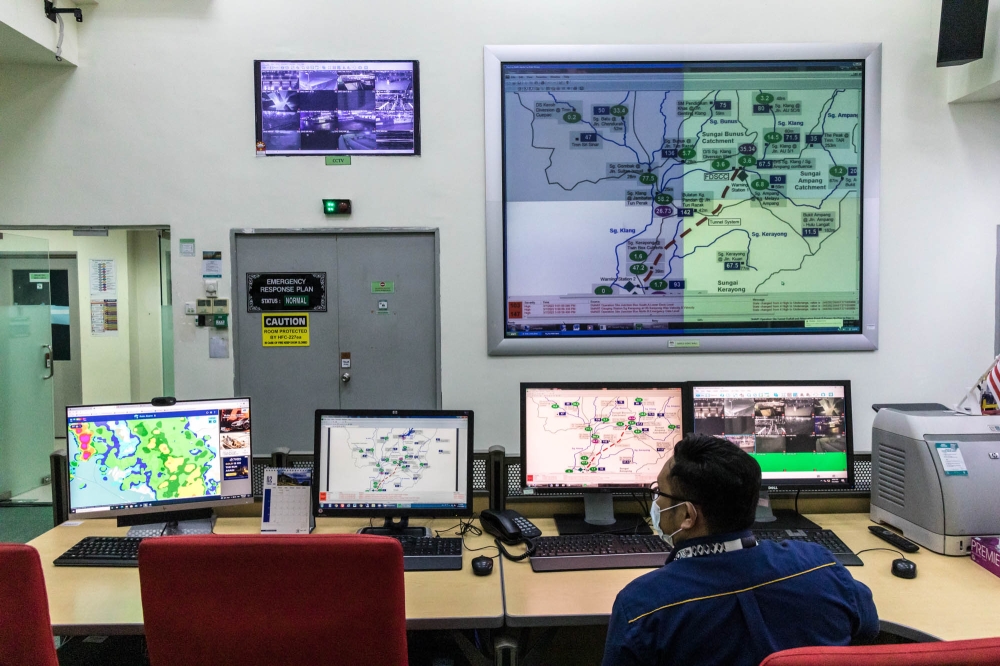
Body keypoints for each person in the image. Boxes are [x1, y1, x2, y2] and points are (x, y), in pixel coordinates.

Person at [602, 433, 878, 666]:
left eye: (659, 492)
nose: (656, 502)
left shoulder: (642, 606)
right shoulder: (821, 565)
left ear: (687, 515)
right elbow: (868, 629)